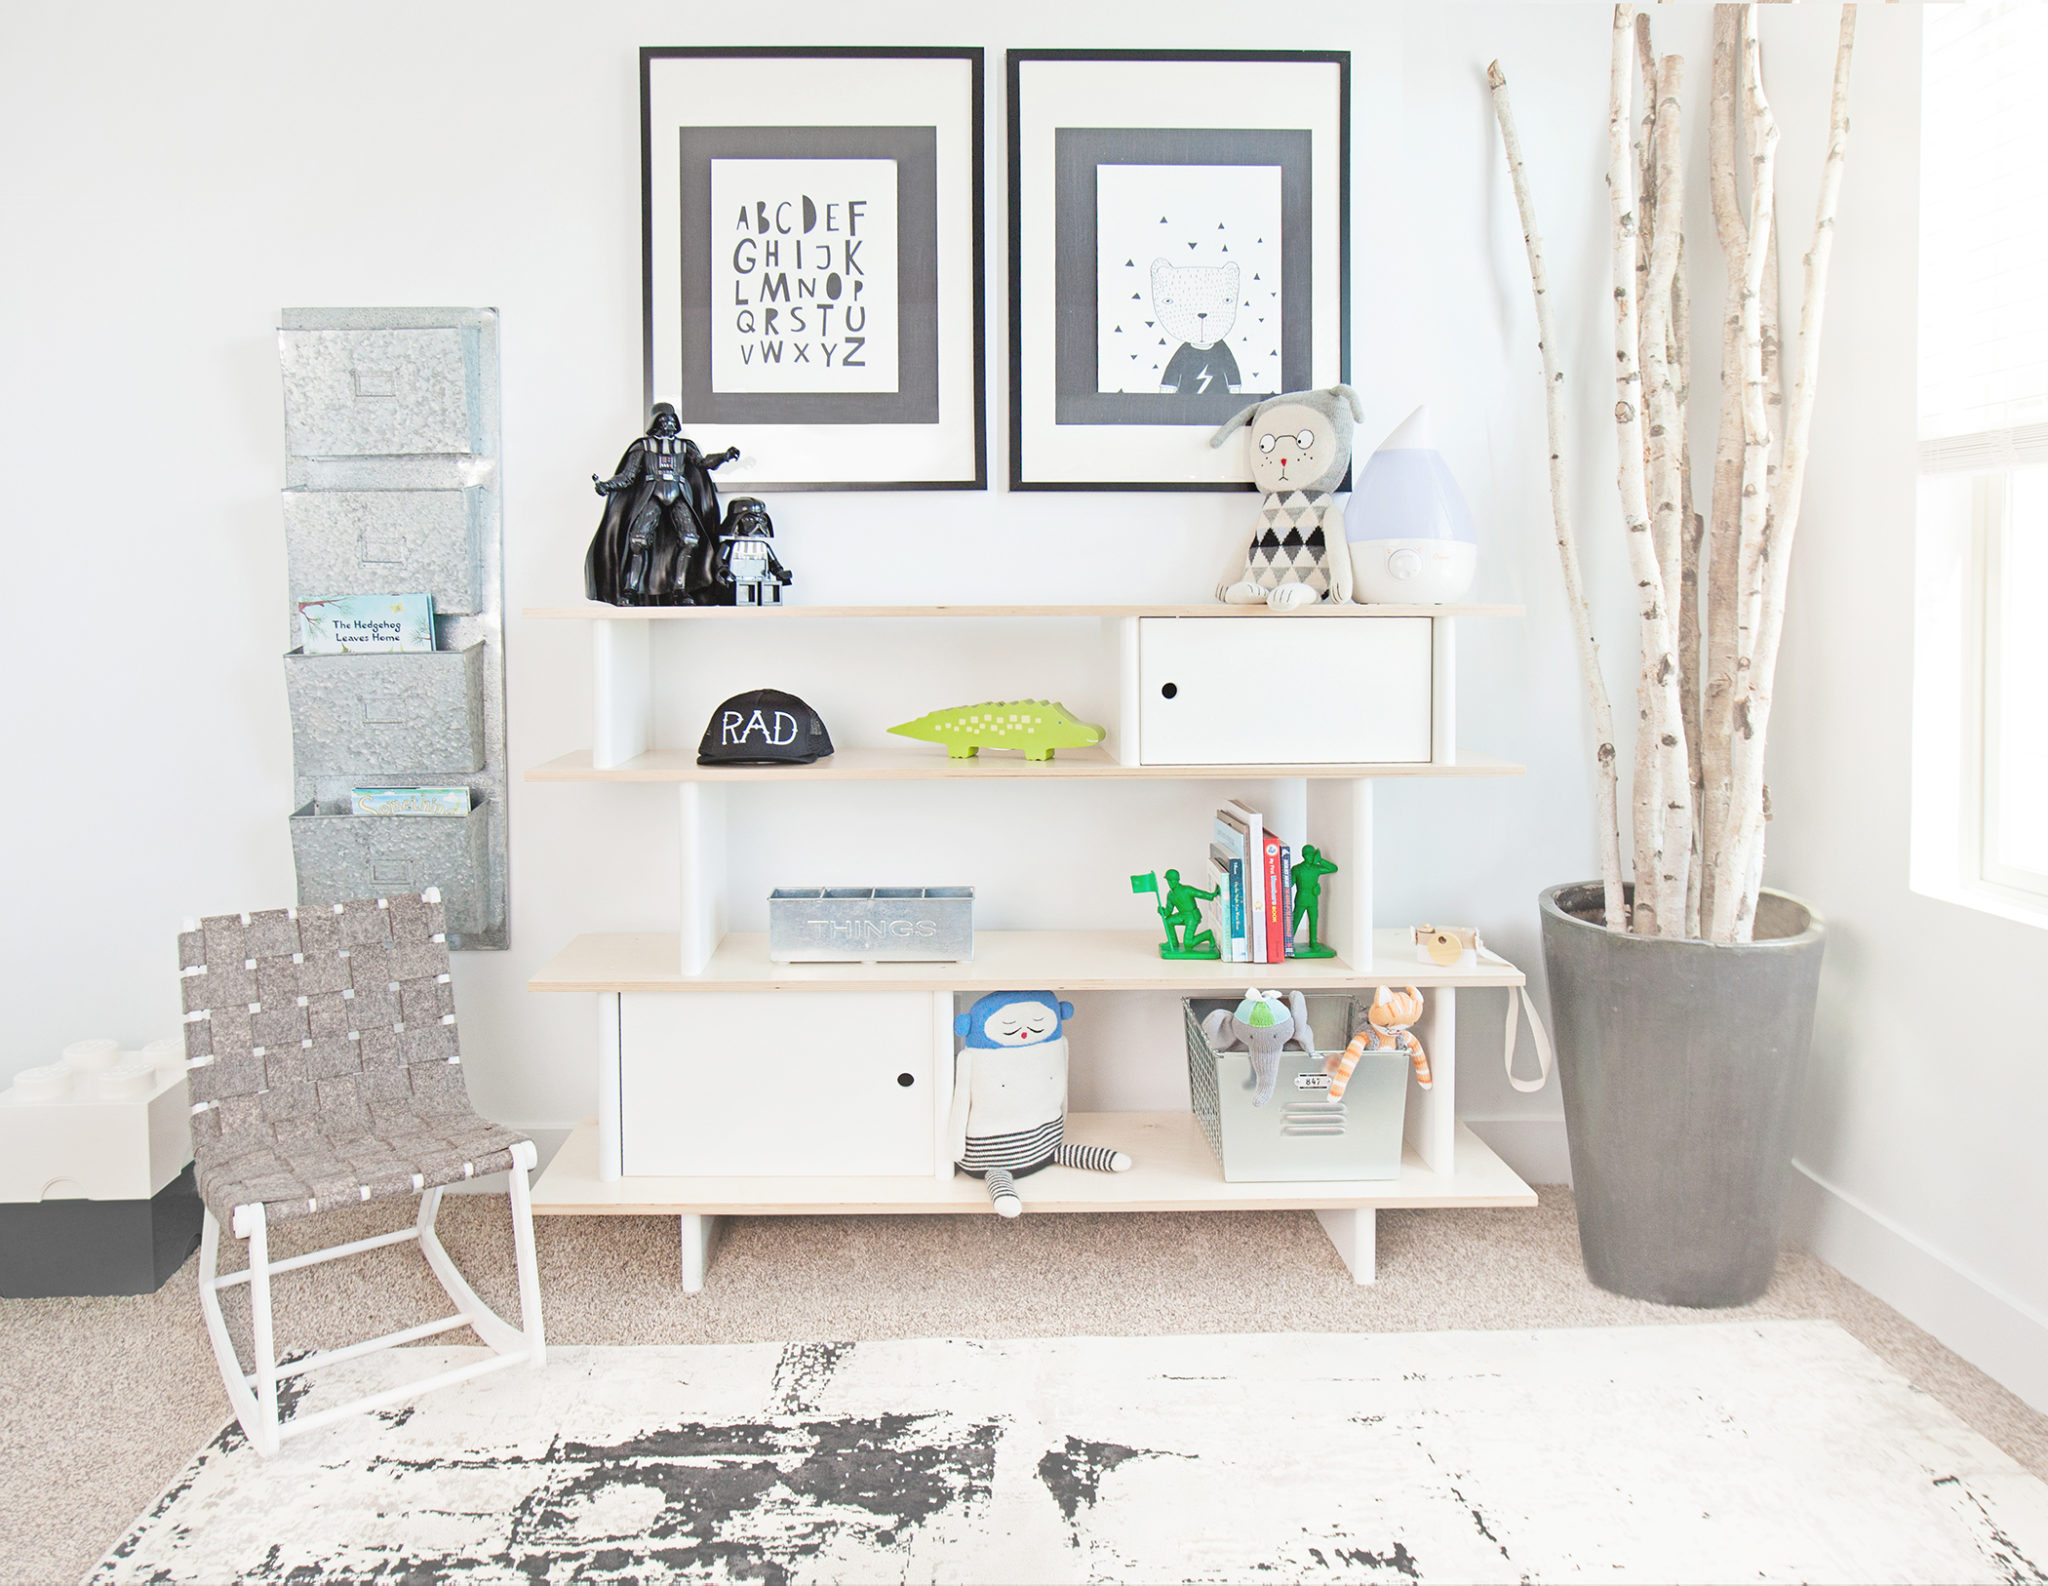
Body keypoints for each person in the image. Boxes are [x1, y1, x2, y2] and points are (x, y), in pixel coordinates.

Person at [585, 403, 738, 605]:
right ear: (655, 422)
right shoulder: (644, 446)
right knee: (638, 541)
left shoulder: (684, 446)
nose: (669, 424)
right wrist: (606, 485)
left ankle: (680, 589)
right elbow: (628, 476)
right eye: (664, 420)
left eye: (672, 420)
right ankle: (631, 589)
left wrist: (723, 456)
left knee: (690, 540)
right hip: (652, 495)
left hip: (678, 496)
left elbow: (702, 463)